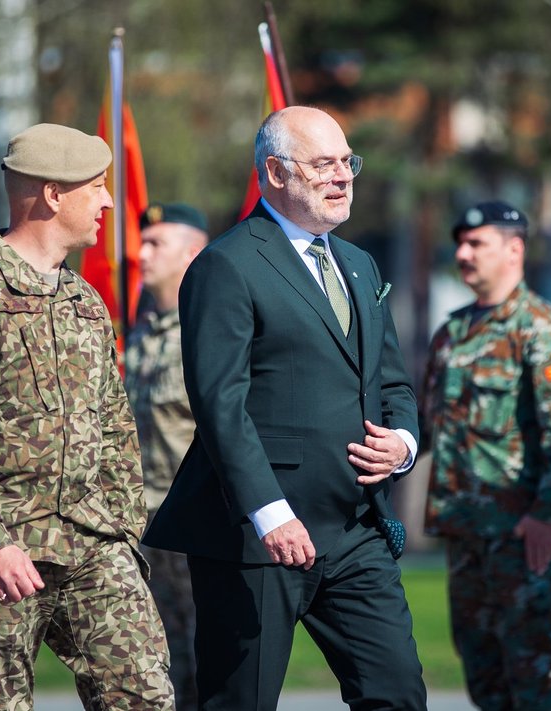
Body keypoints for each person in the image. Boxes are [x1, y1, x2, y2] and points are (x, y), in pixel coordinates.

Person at [143, 106, 425, 710]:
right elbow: (221, 405)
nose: (343, 176)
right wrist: (270, 514)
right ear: (275, 172)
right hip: (256, 537)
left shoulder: (357, 263)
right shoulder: (227, 264)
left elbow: (392, 383)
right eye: (323, 164)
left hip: (355, 530)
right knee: (239, 702)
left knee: (397, 695)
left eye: (347, 162)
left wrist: (403, 444)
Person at [0, 122, 174, 710]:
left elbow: (114, 427)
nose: (109, 201)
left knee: (145, 698)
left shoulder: (84, 301)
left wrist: (124, 533)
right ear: (53, 194)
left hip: (92, 544)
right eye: (96, 187)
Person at [422, 201, 551, 710]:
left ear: (514, 249)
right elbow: (427, 427)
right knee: (487, 684)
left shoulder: (542, 330)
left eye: (477, 243)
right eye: (460, 242)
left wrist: (545, 515)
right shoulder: (451, 335)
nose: (462, 252)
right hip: (466, 540)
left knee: (536, 681)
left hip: (523, 542)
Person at [124, 201, 209, 711]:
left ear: (192, 252)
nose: (141, 252)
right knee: (153, 668)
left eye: (157, 242)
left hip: (193, 526)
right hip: (140, 524)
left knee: (207, 661)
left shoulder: (208, 332)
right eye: (142, 240)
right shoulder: (139, 332)